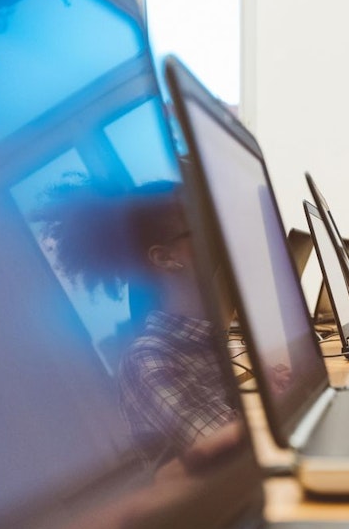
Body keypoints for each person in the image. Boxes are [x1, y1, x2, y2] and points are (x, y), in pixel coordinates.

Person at [32, 178, 237, 465]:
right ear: (166, 258)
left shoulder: (221, 334)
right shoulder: (147, 360)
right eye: (203, 226)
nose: (221, 233)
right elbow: (235, 450)